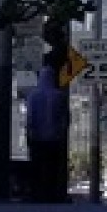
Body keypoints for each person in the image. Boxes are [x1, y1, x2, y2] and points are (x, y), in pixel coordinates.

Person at [23, 54, 71, 203]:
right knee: (52, 168)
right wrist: (62, 133)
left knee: (36, 168)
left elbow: (30, 118)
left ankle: (36, 193)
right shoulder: (59, 96)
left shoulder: (33, 96)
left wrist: (29, 134)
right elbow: (65, 118)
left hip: (37, 138)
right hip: (54, 138)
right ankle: (52, 193)